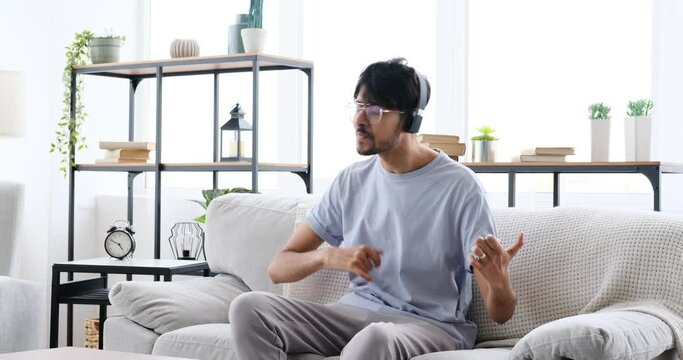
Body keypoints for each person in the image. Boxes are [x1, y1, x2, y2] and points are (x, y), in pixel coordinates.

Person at [229, 58, 524, 360]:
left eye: (374, 111)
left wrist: (499, 283)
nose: (359, 120)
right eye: (358, 106)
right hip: (355, 314)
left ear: (410, 120)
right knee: (248, 308)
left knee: (373, 339)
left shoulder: (461, 187)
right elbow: (278, 268)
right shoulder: (351, 180)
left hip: (431, 327)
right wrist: (329, 255)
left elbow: (501, 313)